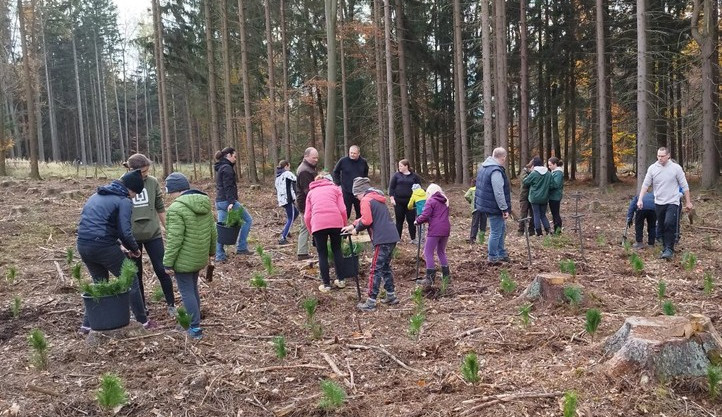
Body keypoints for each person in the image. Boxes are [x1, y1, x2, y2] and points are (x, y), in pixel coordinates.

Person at [76, 169, 153, 334]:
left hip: (83, 245)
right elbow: (125, 230)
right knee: (130, 280)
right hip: (103, 246)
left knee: (99, 283)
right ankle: (142, 321)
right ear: (131, 189)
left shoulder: (96, 196)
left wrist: (118, 244)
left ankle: (87, 325)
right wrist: (134, 249)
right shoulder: (123, 200)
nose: (134, 197)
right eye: (135, 194)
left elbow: (99, 225)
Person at [163, 173, 216, 340]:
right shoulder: (205, 204)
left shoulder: (175, 209)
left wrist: (167, 262)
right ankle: (192, 321)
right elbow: (213, 231)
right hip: (199, 256)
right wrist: (211, 253)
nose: (169, 195)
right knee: (192, 290)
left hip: (184, 259)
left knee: (187, 292)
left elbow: (174, 239)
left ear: (175, 190)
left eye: (169, 191)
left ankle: (194, 327)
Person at [123, 154, 176, 318]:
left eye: (147, 170)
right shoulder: (123, 183)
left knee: (162, 269)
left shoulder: (152, 182)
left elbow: (160, 207)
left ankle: (171, 304)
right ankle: (140, 308)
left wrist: (169, 229)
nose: (145, 174)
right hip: (131, 237)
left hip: (153, 234)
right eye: (142, 172)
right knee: (135, 273)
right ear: (132, 170)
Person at [342, 177, 400, 311]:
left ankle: (371, 301)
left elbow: (367, 220)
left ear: (360, 192)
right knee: (385, 266)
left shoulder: (365, 200)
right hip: (391, 236)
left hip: (382, 238)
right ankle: (391, 295)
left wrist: (356, 230)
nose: (356, 198)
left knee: (375, 269)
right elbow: (368, 217)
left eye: (356, 195)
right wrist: (352, 225)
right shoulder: (376, 198)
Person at [637, 146, 693, 260]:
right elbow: (646, 184)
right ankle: (664, 247)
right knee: (661, 226)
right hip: (659, 202)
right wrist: (640, 199)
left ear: (668, 156)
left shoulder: (676, 168)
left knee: (669, 223)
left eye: (662, 156)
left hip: (673, 201)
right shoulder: (652, 168)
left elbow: (684, 186)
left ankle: (669, 249)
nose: (660, 158)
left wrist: (688, 202)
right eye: (658, 156)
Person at [304, 173, 348, 293]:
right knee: (337, 250)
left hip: (318, 224)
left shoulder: (311, 193)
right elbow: (343, 210)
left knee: (322, 254)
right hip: (335, 222)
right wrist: (344, 225)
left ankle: (326, 284)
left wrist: (311, 230)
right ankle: (341, 280)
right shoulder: (335, 189)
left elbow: (307, 216)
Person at [214, 147, 253, 261]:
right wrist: (231, 202)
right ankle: (241, 247)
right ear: (229, 156)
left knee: (221, 228)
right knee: (247, 220)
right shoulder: (227, 168)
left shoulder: (222, 167)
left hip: (220, 201)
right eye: (234, 156)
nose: (236, 159)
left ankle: (219, 255)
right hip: (227, 201)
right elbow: (228, 186)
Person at [474, 148, 512, 265]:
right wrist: (504, 208)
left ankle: (501, 253)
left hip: (486, 204)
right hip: (493, 206)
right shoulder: (495, 171)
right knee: (496, 232)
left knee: (501, 229)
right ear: (502, 158)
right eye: (504, 159)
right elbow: (498, 192)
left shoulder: (484, 167)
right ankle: (493, 256)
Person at [414, 183, 451, 287]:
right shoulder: (445, 201)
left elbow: (425, 215)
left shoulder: (431, 201)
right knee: (441, 252)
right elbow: (438, 215)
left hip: (435, 229)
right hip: (446, 228)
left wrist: (417, 221)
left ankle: (430, 278)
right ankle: (446, 276)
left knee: (428, 252)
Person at [389, 159, 423, 244]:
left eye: (401, 166)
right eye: (399, 166)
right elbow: (391, 187)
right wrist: (392, 198)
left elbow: (419, 188)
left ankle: (413, 238)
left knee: (411, 220)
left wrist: (418, 199)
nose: (399, 167)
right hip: (398, 201)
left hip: (411, 202)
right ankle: (397, 238)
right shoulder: (396, 176)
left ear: (406, 166)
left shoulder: (414, 176)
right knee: (399, 220)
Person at [332, 145, 369, 219]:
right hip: (346, 190)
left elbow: (365, 173)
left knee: (359, 212)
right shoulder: (343, 161)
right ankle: (344, 229)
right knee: (346, 212)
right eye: (350, 153)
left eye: (354, 153)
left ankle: (356, 229)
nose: (352, 155)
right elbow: (336, 171)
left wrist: (363, 184)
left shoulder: (363, 162)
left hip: (359, 192)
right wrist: (338, 184)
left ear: (359, 153)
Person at [296, 147, 319, 260]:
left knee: (307, 226)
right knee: (305, 226)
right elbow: (308, 190)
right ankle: (302, 252)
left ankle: (304, 250)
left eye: (317, 158)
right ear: (306, 157)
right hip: (305, 203)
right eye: (313, 157)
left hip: (308, 202)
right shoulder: (305, 170)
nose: (316, 160)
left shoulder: (309, 168)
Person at [523, 156, 552, 236]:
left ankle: (539, 233)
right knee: (543, 215)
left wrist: (528, 174)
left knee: (536, 215)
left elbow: (526, 182)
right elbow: (551, 184)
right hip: (545, 197)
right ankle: (548, 230)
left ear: (534, 164)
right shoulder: (548, 173)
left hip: (534, 197)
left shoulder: (534, 173)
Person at [275, 160, 298, 245]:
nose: (290, 168)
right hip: (287, 199)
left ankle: (286, 230)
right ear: (286, 166)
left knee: (296, 213)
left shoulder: (278, 176)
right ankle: (283, 237)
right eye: (289, 166)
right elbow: (296, 180)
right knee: (291, 217)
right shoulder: (287, 174)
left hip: (282, 200)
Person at [464, 178, 487, 244]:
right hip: (484, 208)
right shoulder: (483, 189)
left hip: (476, 209)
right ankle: (481, 239)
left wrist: (471, 201)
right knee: (483, 223)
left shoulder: (472, 189)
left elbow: (466, 196)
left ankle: (472, 239)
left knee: (475, 224)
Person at [517, 160, 535, 236]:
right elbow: (525, 182)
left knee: (533, 214)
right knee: (523, 214)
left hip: (532, 196)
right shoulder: (524, 172)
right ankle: (520, 231)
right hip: (524, 196)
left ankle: (531, 230)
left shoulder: (533, 173)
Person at [548, 157, 564, 234]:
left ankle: (558, 231)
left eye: (550, 165)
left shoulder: (558, 173)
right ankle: (556, 230)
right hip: (553, 196)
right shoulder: (555, 172)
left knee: (556, 214)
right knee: (554, 214)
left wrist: (547, 185)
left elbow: (556, 184)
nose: (549, 167)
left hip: (555, 196)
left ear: (555, 164)